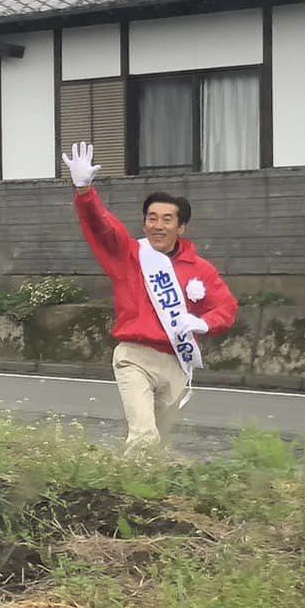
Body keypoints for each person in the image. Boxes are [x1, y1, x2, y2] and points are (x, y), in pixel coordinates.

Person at [62, 141, 238, 452]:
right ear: (145, 222)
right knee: (144, 437)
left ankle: (126, 488)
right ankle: (125, 497)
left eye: (167, 219)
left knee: (156, 446)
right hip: (135, 357)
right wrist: (84, 191)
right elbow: (103, 228)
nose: (158, 225)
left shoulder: (202, 269)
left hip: (176, 362)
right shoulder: (130, 254)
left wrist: (203, 323)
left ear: (181, 227)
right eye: (151, 218)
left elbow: (227, 307)